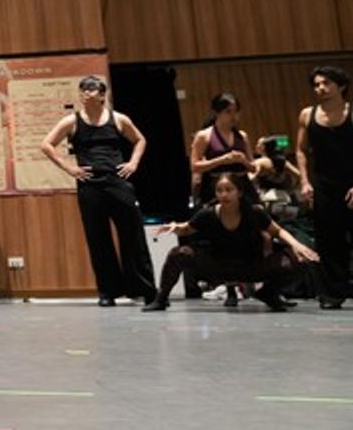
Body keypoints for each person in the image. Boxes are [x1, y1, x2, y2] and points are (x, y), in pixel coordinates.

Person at [40, 75, 157, 306]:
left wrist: (133, 163)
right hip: (89, 184)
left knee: (133, 236)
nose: (85, 92)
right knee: (98, 239)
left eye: (91, 89)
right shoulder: (71, 121)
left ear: (102, 95)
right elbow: (46, 144)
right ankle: (108, 291)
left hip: (117, 182)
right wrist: (69, 168)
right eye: (82, 89)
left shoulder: (119, 119)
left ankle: (144, 289)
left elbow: (140, 140)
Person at [143, 173, 318, 311]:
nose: (223, 194)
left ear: (239, 192)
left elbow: (277, 231)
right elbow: (188, 228)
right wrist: (176, 226)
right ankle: (161, 299)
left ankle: (268, 293)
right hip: (219, 266)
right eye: (219, 190)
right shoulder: (208, 213)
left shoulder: (254, 212)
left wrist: (297, 245)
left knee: (301, 262)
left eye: (229, 189)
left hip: (252, 266)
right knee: (178, 254)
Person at [295, 65, 353, 309]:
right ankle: (332, 294)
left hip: (350, 182)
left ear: (340, 86)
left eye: (326, 83)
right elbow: (300, 150)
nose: (320, 88)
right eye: (317, 84)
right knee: (329, 241)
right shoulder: (307, 115)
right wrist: (305, 181)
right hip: (324, 185)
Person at [189, 93, 256, 203]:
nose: (233, 116)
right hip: (215, 189)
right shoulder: (204, 136)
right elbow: (194, 167)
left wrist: (243, 161)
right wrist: (222, 160)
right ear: (217, 113)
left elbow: (254, 168)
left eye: (236, 111)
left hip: (241, 188)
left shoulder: (242, 136)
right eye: (228, 112)